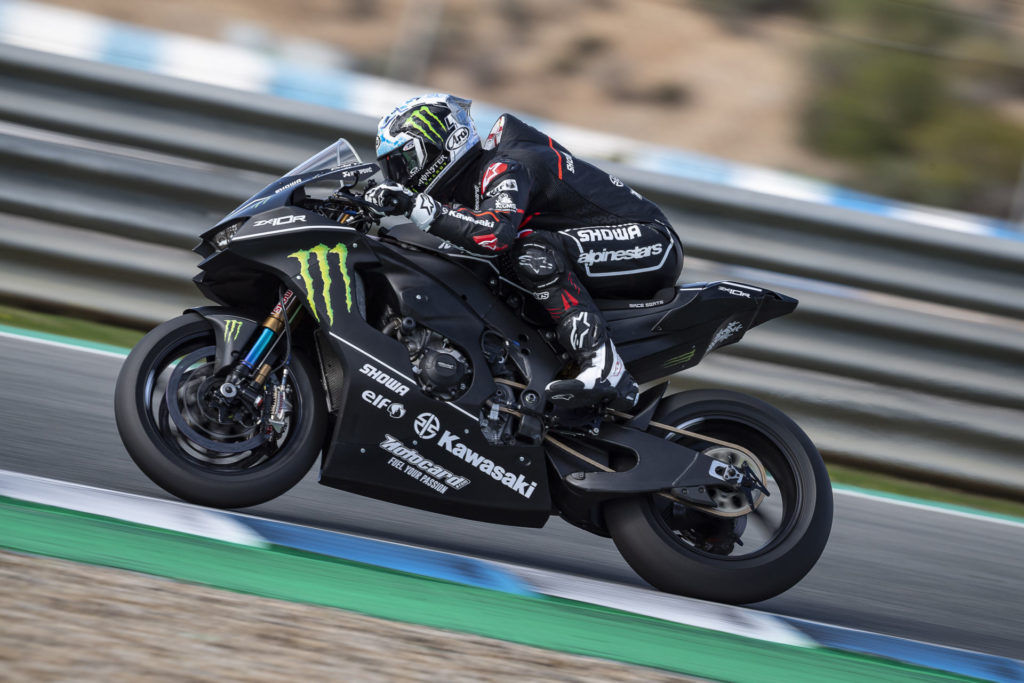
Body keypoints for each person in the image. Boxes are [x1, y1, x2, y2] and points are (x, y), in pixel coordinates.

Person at [364, 93, 683, 411]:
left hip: (651, 242)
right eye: (393, 171)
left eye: (406, 163)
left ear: (448, 141)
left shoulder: (504, 164)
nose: (402, 178)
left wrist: (415, 205)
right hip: (597, 246)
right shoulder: (474, 184)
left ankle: (604, 366)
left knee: (530, 251)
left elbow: (494, 233)